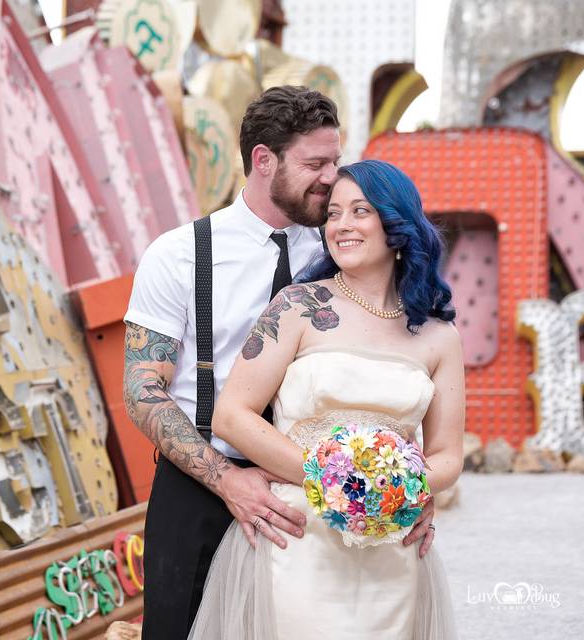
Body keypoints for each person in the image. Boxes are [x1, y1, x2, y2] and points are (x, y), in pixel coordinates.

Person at [122, 87, 437, 639]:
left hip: (321, 504)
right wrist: (227, 480)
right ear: (263, 160)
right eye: (315, 164)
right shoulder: (178, 254)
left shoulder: (347, 243)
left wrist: (406, 490)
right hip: (199, 484)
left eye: (334, 161)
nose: (330, 177)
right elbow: (142, 390)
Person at [187, 159, 464, 638]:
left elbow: (447, 456)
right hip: (296, 535)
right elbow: (232, 416)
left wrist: (396, 490)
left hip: (390, 545)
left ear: (396, 225)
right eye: (333, 214)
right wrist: (332, 480)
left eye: (360, 211)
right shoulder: (297, 308)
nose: (342, 225)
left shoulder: (439, 336)